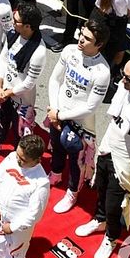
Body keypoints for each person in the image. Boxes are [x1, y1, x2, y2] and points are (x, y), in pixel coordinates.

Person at [76, 57, 130, 258]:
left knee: (114, 203)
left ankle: (111, 237)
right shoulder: (124, 88)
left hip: (125, 160)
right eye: (123, 74)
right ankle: (100, 219)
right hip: (107, 148)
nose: (123, 80)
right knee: (100, 188)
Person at [48, 20, 111, 214]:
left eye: (88, 39)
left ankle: (73, 192)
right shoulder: (69, 50)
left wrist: (60, 114)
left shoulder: (102, 72)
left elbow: (90, 107)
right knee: (56, 144)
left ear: (99, 44)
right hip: (57, 111)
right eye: (81, 34)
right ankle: (56, 173)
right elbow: (55, 79)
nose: (81, 40)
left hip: (81, 123)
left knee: (77, 159)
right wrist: (54, 109)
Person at [0, 3, 47, 145]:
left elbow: (29, 83)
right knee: (0, 123)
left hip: (22, 101)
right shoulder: (13, 34)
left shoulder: (38, 52)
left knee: (21, 134)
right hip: (4, 92)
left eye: (16, 21)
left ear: (28, 27)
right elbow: (3, 59)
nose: (12, 22)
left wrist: (8, 93)